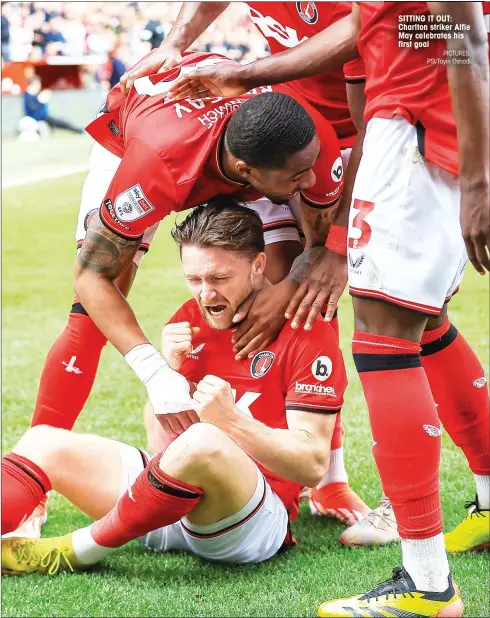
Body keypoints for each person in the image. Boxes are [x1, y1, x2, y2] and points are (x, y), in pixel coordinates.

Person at [138, 2, 490, 616]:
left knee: (385, 335)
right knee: (423, 322)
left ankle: (428, 583)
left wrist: (477, 172)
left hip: (417, 123)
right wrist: (247, 76)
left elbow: (462, 29)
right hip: (405, 117)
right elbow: (375, 28)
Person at [23, 51, 367, 537]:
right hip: (144, 145)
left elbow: (319, 253)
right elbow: (89, 278)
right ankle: (34, 479)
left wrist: (287, 288)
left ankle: (327, 477)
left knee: (310, 295)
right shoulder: (154, 170)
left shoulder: (310, 144)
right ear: (248, 172)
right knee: (90, 312)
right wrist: (157, 373)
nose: (309, 183)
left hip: (236, 142)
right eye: (297, 179)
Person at [119, 0, 371, 525]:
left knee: (310, 297)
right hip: (269, 143)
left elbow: (364, 78)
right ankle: (270, 463)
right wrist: (173, 43)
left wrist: (316, 263)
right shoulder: (179, 154)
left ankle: (328, 478)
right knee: (263, 300)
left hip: (325, 142)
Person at [2, 201, 347, 575]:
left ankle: (77, 550)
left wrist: (231, 422)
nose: (206, 295)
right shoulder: (189, 319)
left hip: (250, 522)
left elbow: (312, 464)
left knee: (205, 439)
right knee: (43, 441)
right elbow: (161, 448)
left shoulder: (307, 333)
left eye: (219, 279)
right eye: (194, 280)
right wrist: (170, 373)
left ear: (258, 265)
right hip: (171, 504)